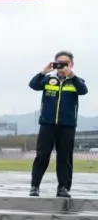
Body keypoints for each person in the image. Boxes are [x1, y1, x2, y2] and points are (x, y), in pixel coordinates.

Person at [29, 51, 88, 198]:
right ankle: (35, 186)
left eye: (66, 63)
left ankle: (63, 187)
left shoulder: (76, 81)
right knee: (42, 156)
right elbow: (33, 85)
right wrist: (43, 72)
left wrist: (72, 76)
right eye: (59, 63)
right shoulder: (48, 80)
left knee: (64, 158)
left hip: (67, 126)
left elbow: (83, 91)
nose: (62, 66)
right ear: (55, 64)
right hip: (47, 124)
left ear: (71, 65)